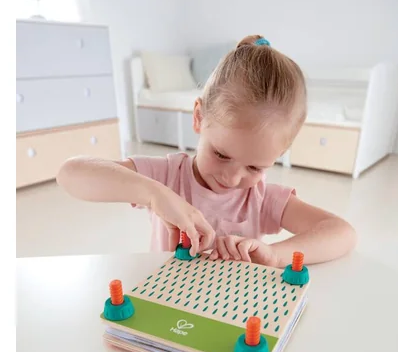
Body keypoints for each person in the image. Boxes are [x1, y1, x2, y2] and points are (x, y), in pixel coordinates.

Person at [57, 35, 356, 267]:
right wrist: (154, 195)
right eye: (221, 155)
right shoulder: (166, 176)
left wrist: (275, 255)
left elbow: (341, 232)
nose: (232, 177)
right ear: (199, 117)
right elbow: (70, 173)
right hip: (167, 300)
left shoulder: (262, 199)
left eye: (255, 168)